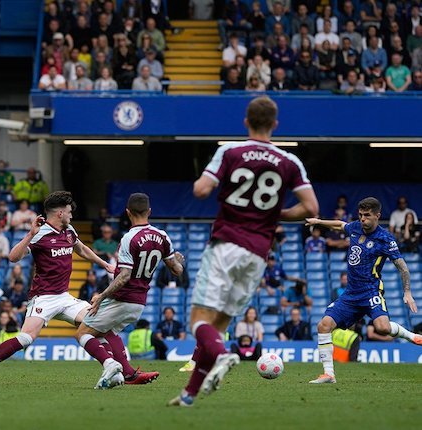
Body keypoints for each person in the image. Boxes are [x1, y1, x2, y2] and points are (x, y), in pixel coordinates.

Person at [169, 96, 319, 407]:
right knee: (218, 325)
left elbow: (200, 190)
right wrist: (273, 213)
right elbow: (311, 208)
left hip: (227, 243)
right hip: (258, 254)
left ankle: (224, 355)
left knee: (198, 319)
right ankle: (189, 395)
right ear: (275, 124)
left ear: (245, 122)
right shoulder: (290, 162)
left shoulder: (229, 151)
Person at [0, 191, 114, 384]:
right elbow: (13, 257)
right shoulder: (40, 233)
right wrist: (30, 234)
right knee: (26, 338)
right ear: (59, 214)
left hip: (64, 297)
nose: (71, 215)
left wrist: (105, 265)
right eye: (69, 212)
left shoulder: (69, 231)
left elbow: (82, 249)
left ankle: (113, 368)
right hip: (43, 298)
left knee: (97, 323)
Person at [306, 197, 422, 384]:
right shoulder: (355, 228)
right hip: (351, 294)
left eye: (367, 216)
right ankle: (329, 374)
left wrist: (407, 292)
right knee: (323, 326)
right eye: (360, 215)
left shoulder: (385, 239)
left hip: (371, 292)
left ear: (378, 215)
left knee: (382, 328)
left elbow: (403, 267)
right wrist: (319, 222)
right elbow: (340, 225)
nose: (363, 219)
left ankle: (413, 337)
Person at [77, 193, 185, 388]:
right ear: (149, 211)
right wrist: (179, 260)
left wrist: (101, 296)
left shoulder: (129, 238)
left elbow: (125, 276)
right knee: (106, 331)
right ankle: (128, 373)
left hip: (122, 298)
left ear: (127, 212)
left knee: (82, 333)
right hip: (140, 302)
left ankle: (111, 365)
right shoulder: (162, 236)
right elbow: (177, 270)